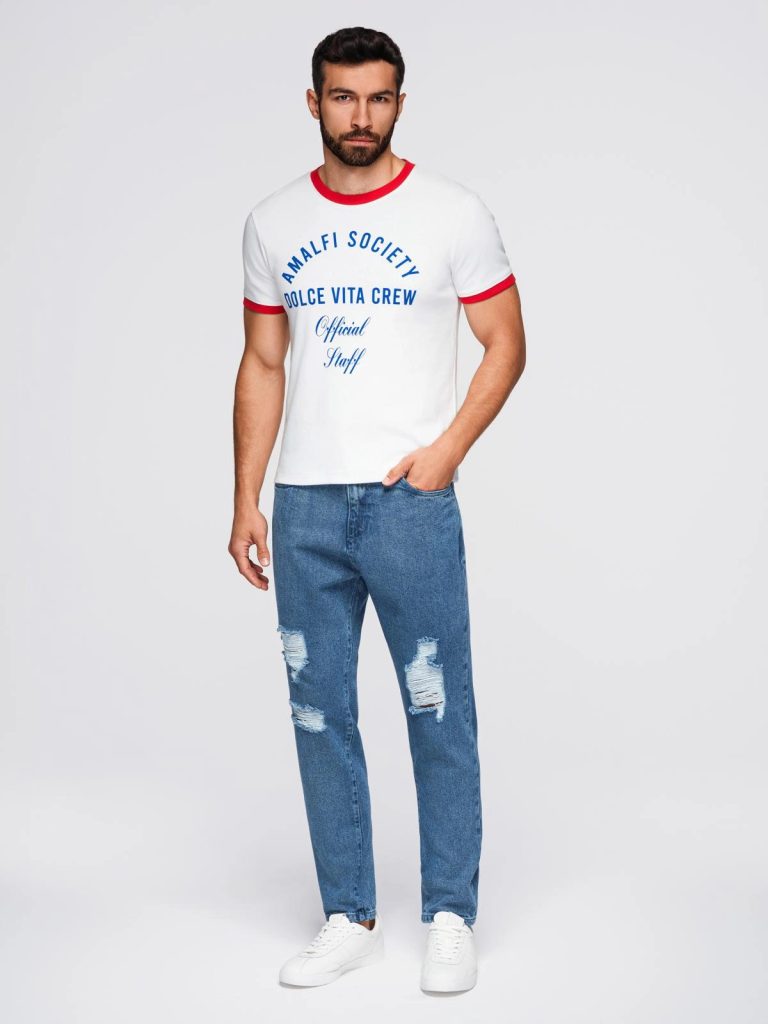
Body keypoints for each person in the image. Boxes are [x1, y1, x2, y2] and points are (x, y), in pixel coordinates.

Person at [228, 25, 526, 994]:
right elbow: (263, 361)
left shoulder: (452, 213)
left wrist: (446, 453)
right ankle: (348, 913)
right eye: (344, 96)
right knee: (318, 712)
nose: (362, 116)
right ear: (313, 101)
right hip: (305, 507)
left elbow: (507, 342)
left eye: (379, 97)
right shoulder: (272, 222)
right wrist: (246, 496)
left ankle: (449, 913)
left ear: (400, 102)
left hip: (409, 503)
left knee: (437, 706)